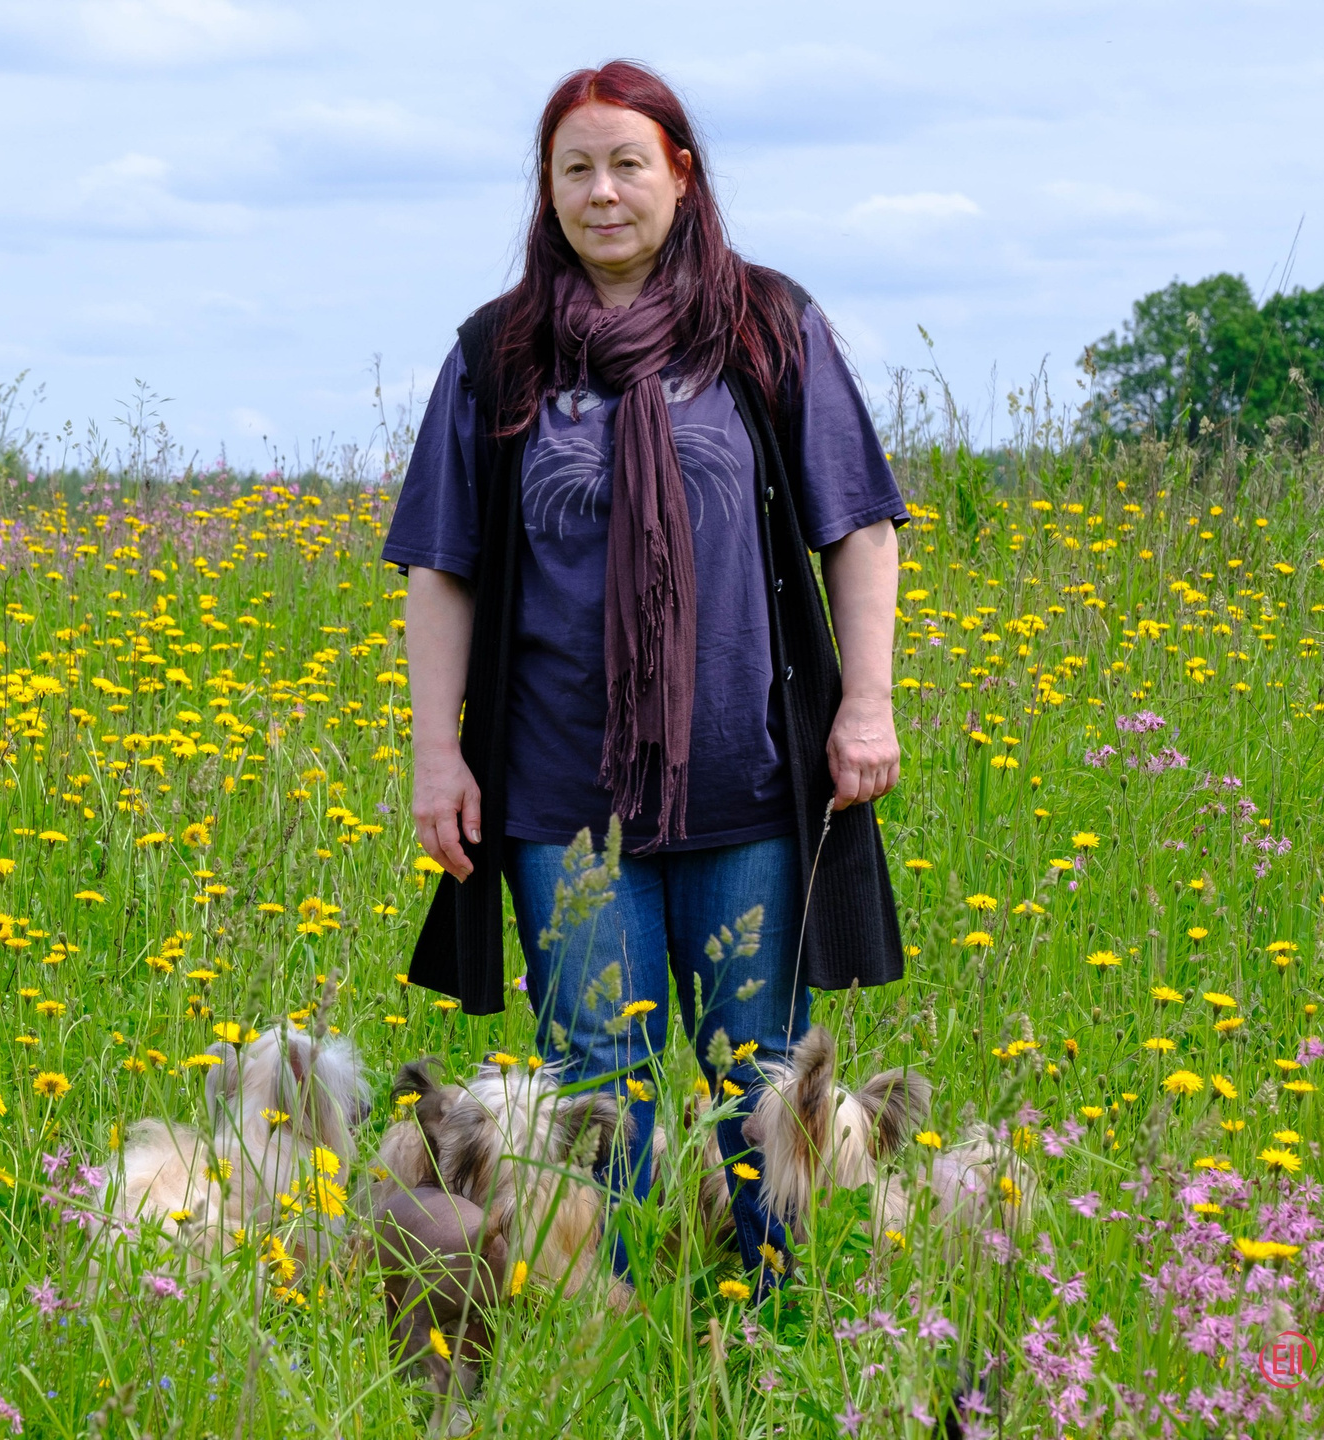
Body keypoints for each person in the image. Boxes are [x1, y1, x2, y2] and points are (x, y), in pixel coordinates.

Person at [383, 58, 908, 1292]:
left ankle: (773, 1327)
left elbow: (858, 527)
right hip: (560, 796)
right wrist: (436, 755)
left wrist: (866, 703)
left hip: (750, 781)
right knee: (593, 1087)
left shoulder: (767, 328)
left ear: (680, 174)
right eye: (575, 168)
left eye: (627, 163)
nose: (602, 192)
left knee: (760, 1078)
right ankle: (604, 1324)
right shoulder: (498, 355)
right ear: (547, 189)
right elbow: (441, 569)